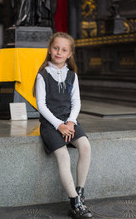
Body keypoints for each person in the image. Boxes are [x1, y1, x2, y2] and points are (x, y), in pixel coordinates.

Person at [34, 32, 93, 219]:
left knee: (85, 146)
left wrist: (70, 122)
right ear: (50, 50)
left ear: (69, 54)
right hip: (51, 124)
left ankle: (80, 192)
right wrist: (59, 125)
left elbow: (77, 102)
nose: (59, 52)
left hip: (69, 121)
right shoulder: (42, 75)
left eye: (64, 49)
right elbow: (41, 106)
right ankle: (74, 203)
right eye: (56, 48)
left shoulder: (72, 76)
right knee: (64, 156)